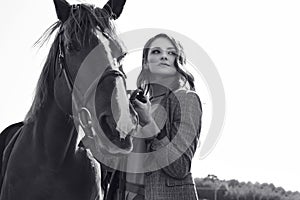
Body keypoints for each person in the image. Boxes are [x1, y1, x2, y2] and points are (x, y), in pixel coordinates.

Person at [124, 33, 202, 200]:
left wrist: (150, 124)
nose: (164, 56)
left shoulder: (186, 99)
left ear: (178, 61)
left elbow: (180, 167)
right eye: (156, 52)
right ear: (145, 62)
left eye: (171, 52)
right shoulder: (135, 104)